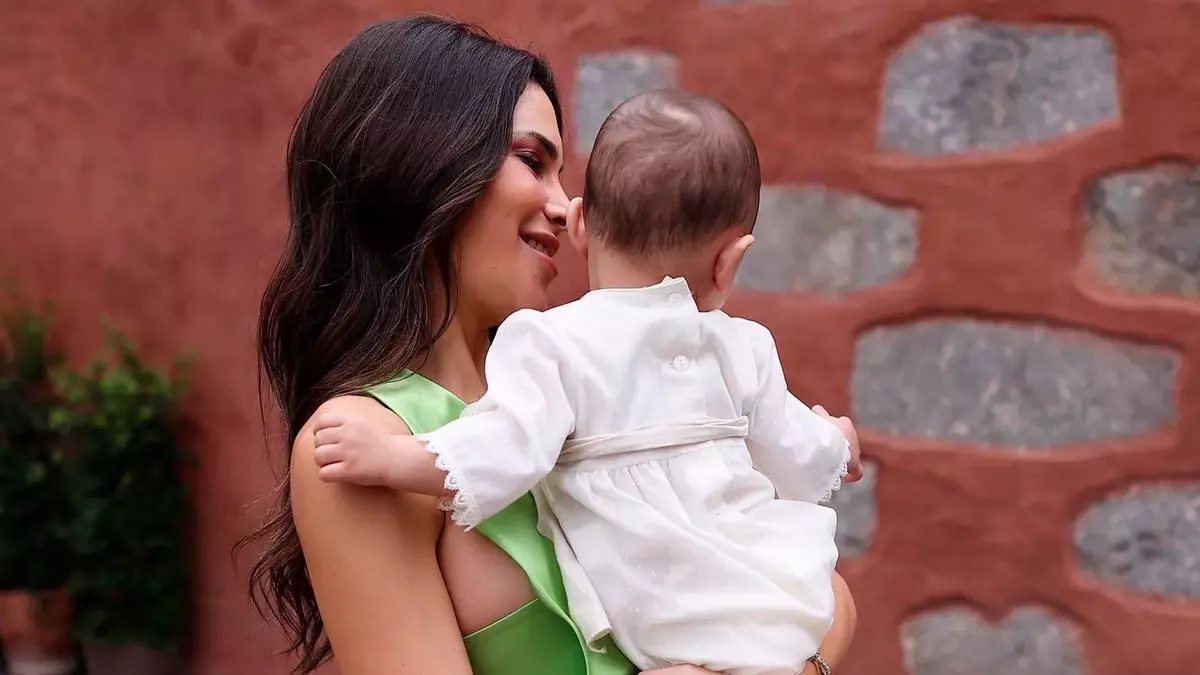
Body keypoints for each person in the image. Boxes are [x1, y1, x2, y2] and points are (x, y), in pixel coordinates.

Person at [241, 14, 857, 675]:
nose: (564, 208)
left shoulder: (590, 380)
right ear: (420, 160)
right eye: (532, 161)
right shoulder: (363, 445)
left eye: (566, 176)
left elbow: (823, 589)